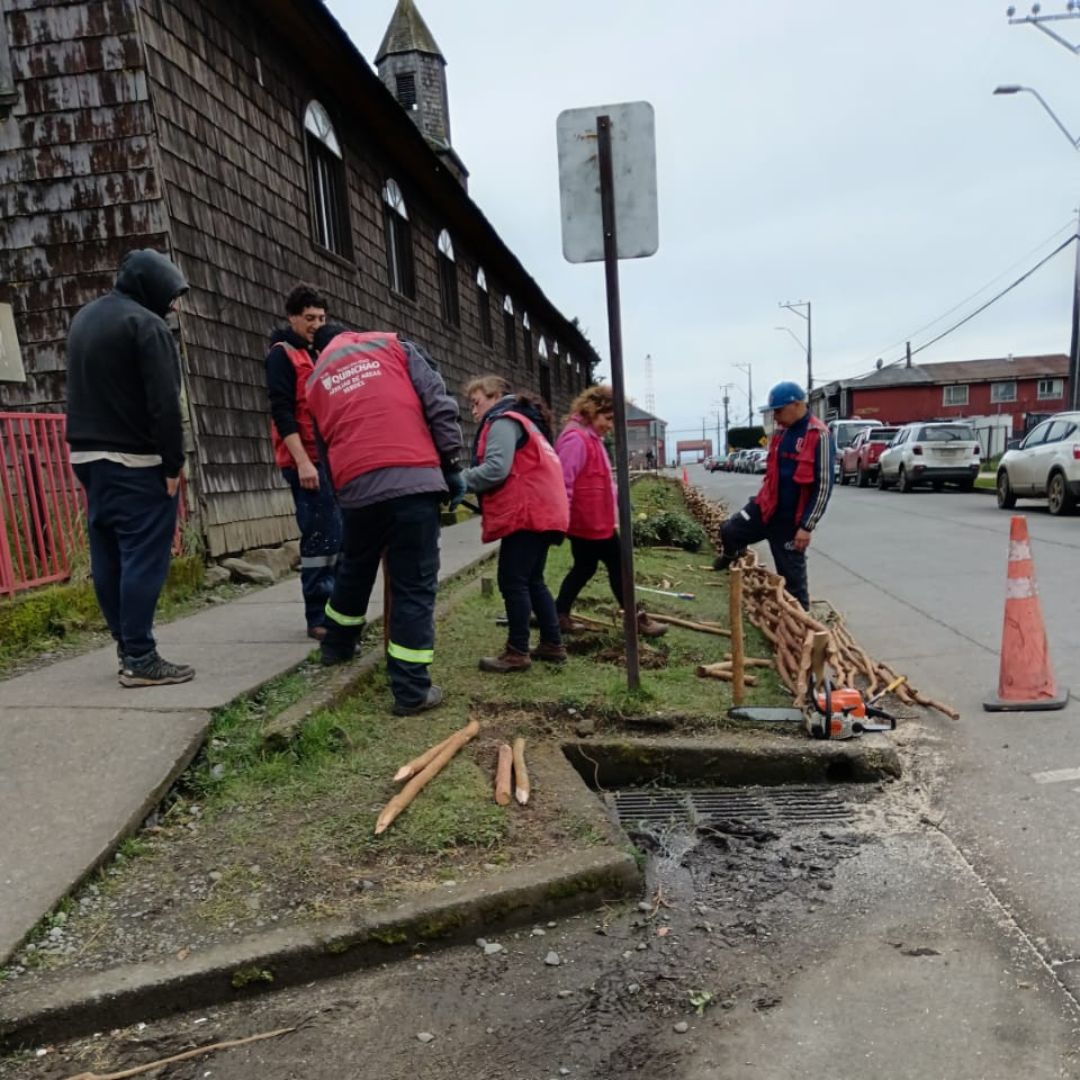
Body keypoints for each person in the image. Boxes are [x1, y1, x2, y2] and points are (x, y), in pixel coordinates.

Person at [304, 325, 465, 716]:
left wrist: (343, 492)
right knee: (413, 583)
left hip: (357, 489)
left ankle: (337, 646)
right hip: (412, 479)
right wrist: (452, 465)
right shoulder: (394, 347)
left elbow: (324, 444)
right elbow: (438, 404)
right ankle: (410, 691)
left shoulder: (316, 379)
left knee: (355, 569)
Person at [66, 248, 194, 687]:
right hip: (136, 459)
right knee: (144, 555)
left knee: (108, 555)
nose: (173, 305)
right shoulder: (147, 325)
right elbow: (163, 405)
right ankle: (140, 657)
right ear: (152, 286)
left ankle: (127, 645)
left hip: (85, 455)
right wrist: (173, 464)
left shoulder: (85, 318)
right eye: (171, 294)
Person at [463, 376, 569, 673]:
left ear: (496, 395)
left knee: (512, 581)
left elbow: (496, 468)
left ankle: (517, 651)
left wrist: (461, 480)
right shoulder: (529, 423)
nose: (473, 410)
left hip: (528, 511)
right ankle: (552, 643)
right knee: (533, 580)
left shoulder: (503, 422)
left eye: (476, 401)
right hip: (546, 510)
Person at [553, 386, 666, 638]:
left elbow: (603, 480)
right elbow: (563, 483)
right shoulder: (576, 439)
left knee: (584, 568)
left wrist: (619, 502)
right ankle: (636, 619)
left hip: (596, 520)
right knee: (619, 564)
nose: (610, 425)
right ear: (592, 410)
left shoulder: (590, 438)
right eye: (608, 418)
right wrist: (562, 521)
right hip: (587, 523)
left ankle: (557, 614)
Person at [265, 284, 343, 640]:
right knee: (320, 538)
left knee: (338, 536)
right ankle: (319, 616)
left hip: (329, 459)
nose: (316, 324)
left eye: (322, 318)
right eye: (309, 318)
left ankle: (338, 611)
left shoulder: (318, 353)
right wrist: (303, 463)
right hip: (306, 461)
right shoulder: (282, 355)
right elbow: (282, 412)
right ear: (292, 317)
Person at [713, 381, 832, 610]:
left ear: (796, 404)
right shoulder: (780, 433)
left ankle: (799, 630)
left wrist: (807, 527)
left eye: (778, 411)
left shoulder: (819, 436)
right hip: (765, 508)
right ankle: (731, 557)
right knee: (729, 530)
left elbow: (824, 487)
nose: (775, 417)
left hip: (791, 522)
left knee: (793, 586)